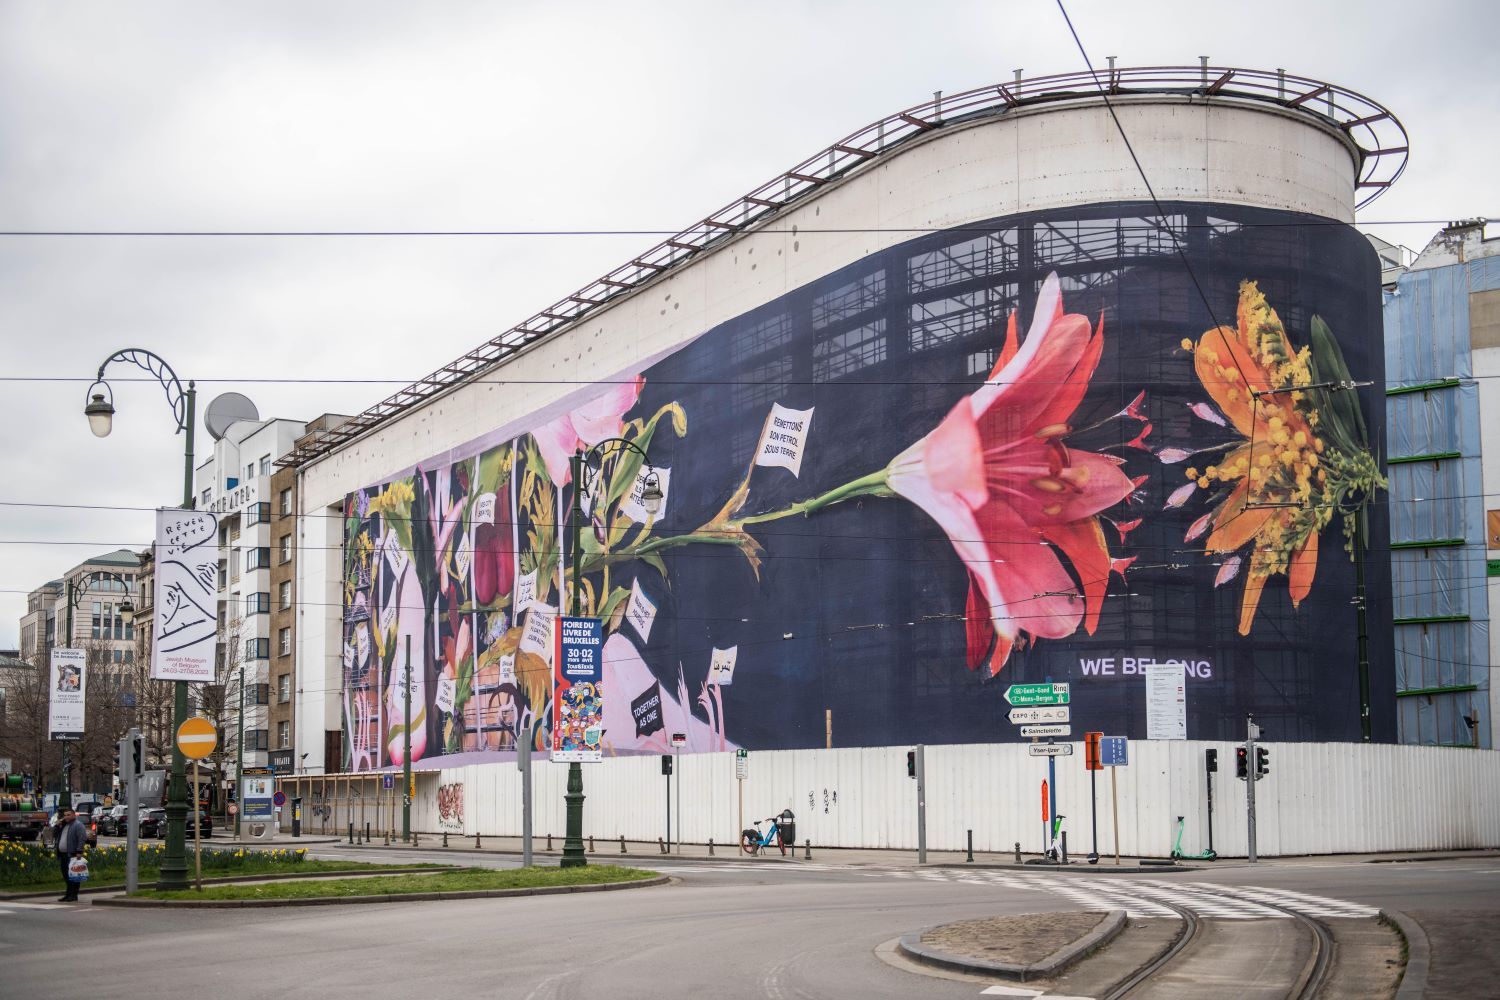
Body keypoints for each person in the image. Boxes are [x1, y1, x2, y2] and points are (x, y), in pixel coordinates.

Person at [54, 807, 87, 902]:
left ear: (73, 815)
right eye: (65, 815)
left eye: (69, 815)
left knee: (74, 876)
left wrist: (79, 851)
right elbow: (55, 835)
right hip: (63, 854)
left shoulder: (78, 825)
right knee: (66, 876)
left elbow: (82, 838)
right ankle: (68, 894)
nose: (66, 817)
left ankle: (73, 895)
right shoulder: (64, 825)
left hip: (72, 855)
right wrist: (57, 826)